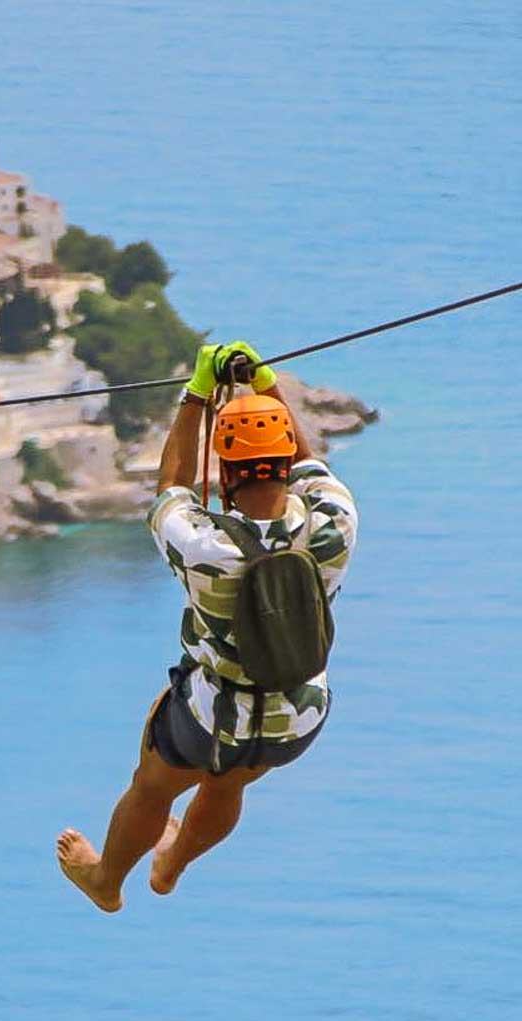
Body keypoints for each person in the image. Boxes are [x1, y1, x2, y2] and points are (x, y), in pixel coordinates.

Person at [56, 340, 359, 912]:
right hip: (298, 714)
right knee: (232, 778)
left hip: (211, 716)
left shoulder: (206, 545)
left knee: (156, 779)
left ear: (226, 473)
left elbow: (170, 487)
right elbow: (311, 463)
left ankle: (107, 881)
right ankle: (171, 863)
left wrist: (197, 394)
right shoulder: (335, 521)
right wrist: (265, 387)